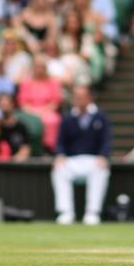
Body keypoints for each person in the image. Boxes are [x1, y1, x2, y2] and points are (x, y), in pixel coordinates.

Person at [51, 84, 111, 225]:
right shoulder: (67, 117)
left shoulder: (101, 116)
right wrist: (60, 155)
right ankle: (65, 212)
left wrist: (103, 156)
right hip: (72, 161)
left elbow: (106, 140)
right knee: (59, 169)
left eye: (82, 96)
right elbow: (60, 141)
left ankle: (92, 212)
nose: (79, 99)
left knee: (101, 170)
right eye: (76, 96)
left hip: (93, 160)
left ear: (90, 97)